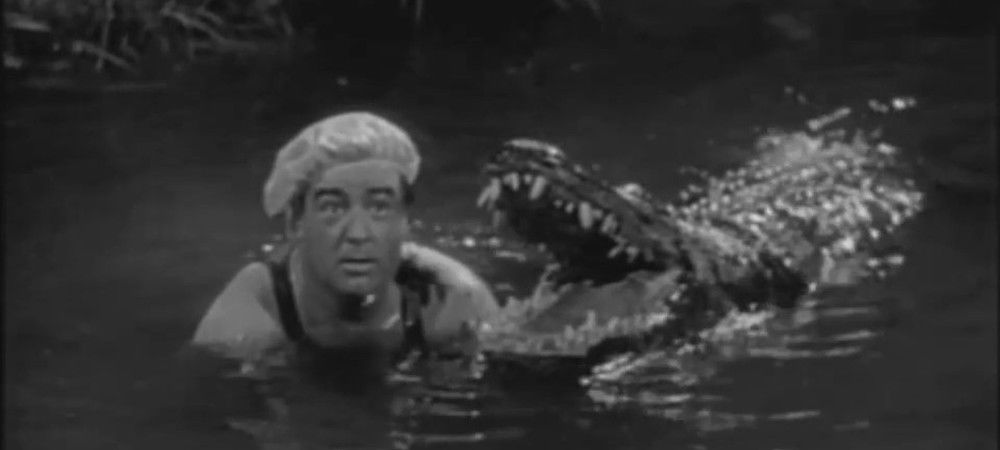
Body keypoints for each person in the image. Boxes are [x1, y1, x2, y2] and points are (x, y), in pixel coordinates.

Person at [190, 112, 500, 366]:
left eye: (380, 207)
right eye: (332, 208)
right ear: (295, 222)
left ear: (405, 221)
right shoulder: (251, 317)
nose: (358, 234)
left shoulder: (447, 302)